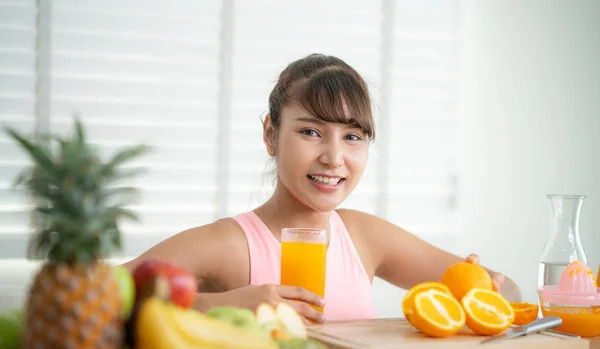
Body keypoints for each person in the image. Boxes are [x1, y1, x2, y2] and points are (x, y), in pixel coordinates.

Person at [124, 53, 522, 324]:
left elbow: (505, 289)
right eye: (311, 131)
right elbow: (92, 298)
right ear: (270, 135)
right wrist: (215, 304)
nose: (334, 158)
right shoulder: (230, 244)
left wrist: (488, 289)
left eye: (353, 137)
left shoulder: (364, 237)